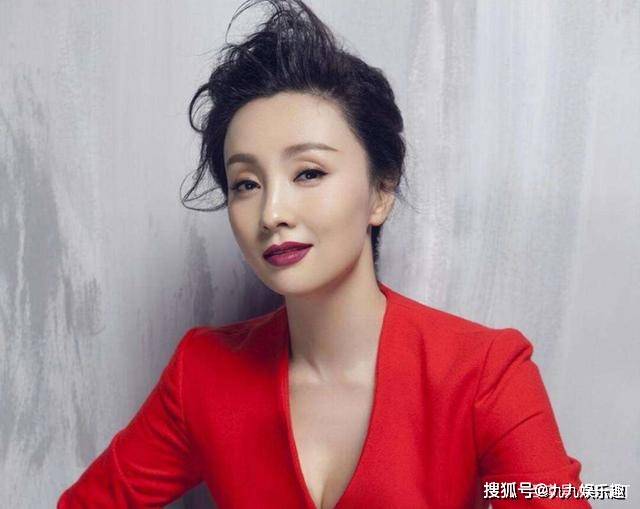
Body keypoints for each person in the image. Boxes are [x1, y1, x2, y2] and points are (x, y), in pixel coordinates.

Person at [57, 1, 590, 507]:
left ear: (381, 192)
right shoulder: (202, 374)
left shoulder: (482, 375)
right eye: (246, 184)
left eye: (308, 173)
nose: (272, 212)